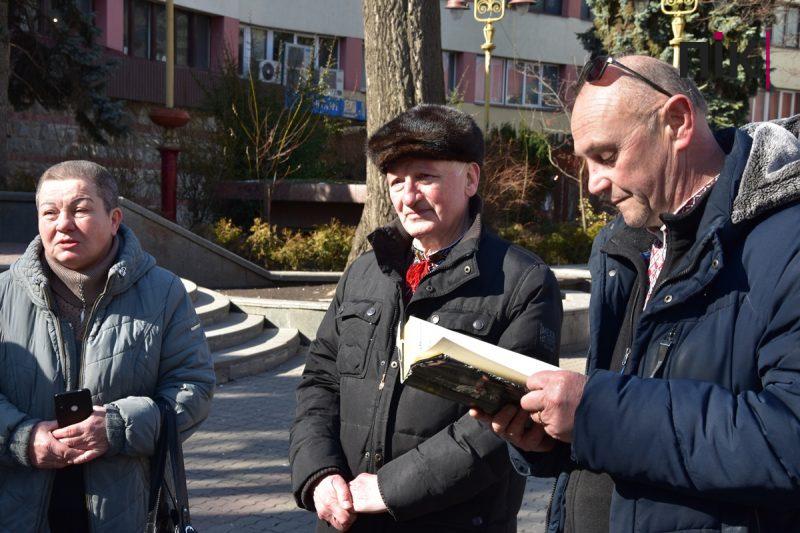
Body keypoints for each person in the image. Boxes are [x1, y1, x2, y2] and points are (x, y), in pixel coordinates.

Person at [473, 55, 800, 531]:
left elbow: (787, 439)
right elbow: (625, 420)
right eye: (585, 161)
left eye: (606, 156)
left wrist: (596, 414)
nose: (593, 184)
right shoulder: (623, 242)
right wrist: (553, 440)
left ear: (678, 121)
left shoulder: (786, 239)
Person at [289, 104, 563, 532]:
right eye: (397, 182)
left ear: (471, 178)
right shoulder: (364, 272)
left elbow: (506, 424)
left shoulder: (522, 282)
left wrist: (387, 490)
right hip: (348, 517)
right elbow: (321, 383)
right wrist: (320, 475)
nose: (408, 197)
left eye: (425, 178)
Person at [0, 160, 216, 532]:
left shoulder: (163, 292)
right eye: (49, 212)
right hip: (19, 508)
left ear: (114, 218)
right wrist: (22, 438)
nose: (63, 224)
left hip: (130, 510)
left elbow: (193, 388)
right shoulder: (4, 294)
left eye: (80, 210)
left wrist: (117, 427)